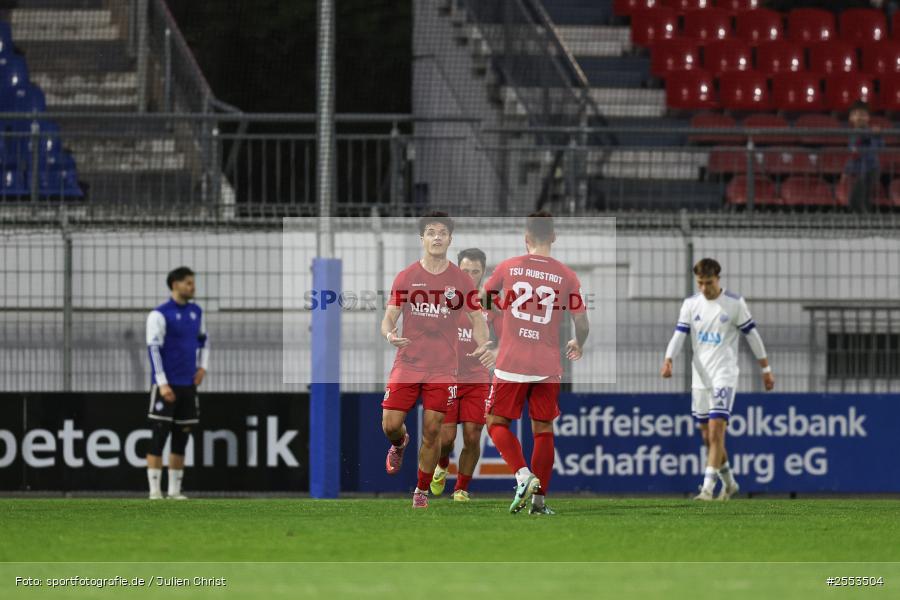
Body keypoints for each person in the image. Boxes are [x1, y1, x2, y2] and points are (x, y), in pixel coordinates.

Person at [381, 212, 495, 509]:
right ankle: (399, 443)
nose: (436, 237)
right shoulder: (406, 277)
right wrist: (389, 334)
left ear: (449, 239)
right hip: (408, 363)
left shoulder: (460, 279)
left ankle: (420, 492)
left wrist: (484, 344)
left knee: (434, 431)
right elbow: (389, 317)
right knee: (391, 424)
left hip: (443, 367)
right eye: (431, 232)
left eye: (442, 232)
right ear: (423, 239)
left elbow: (477, 317)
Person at [481, 211, 589, 515]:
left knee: (496, 421)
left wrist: (494, 319)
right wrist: (578, 343)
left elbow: (484, 300)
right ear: (553, 237)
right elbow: (581, 321)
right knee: (543, 428)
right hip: (546, 363)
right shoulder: (567, 276)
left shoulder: (508, 267)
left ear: (525, 238)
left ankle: (522, 475)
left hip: (511, 358)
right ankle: (539, 503)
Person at [660, 258, 774, 501]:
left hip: (724, 375)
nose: (704, 288)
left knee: (715, 433)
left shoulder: (734, 304)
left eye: (708, 283)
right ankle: (730, 484)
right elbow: (679, 334)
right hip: (700, 378)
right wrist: (669, 358)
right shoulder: (691, 305)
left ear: (718, 279)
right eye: (700, 283)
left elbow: (752, 336)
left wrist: (766, 370)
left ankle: (707, 489)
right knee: (706, 437)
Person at [430, 247, 498, 502]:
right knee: (446, 440)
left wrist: (497, 353)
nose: (470, 276)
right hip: (447, 376)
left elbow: (506, 332)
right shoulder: (442, 297)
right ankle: (442, 463)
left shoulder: (490, 302)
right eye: (465, 270)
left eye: (475, 271)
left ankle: (461, 488)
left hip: (477, 377)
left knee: (472, 435)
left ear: (483, 273)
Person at [146, 266, 209, 500]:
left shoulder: (197, 312)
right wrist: (162, 383)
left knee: (182, 437)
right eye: (188, 283)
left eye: (193, 283)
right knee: (159, 435)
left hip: (188, 385)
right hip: (167, 385)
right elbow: (153, 349)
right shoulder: (159, 314)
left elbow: (205, 341)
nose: (193, 287)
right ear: (175, 285)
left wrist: (202, 367)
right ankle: (154, 491)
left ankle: (174, 490)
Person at [845, 100, 884, 214]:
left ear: (868, 117)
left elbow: (880, 147)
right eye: (857, 114)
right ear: (851, 118)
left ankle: (865, 214)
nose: (860, 117)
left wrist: (877, 136)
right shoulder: (852, 134)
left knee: (866, 192)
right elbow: (853, 151)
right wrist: (846, 170)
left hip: (872, 168)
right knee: (859, 191)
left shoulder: (873, 133)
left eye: (863, 114)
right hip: (858, 169)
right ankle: (858, 212)